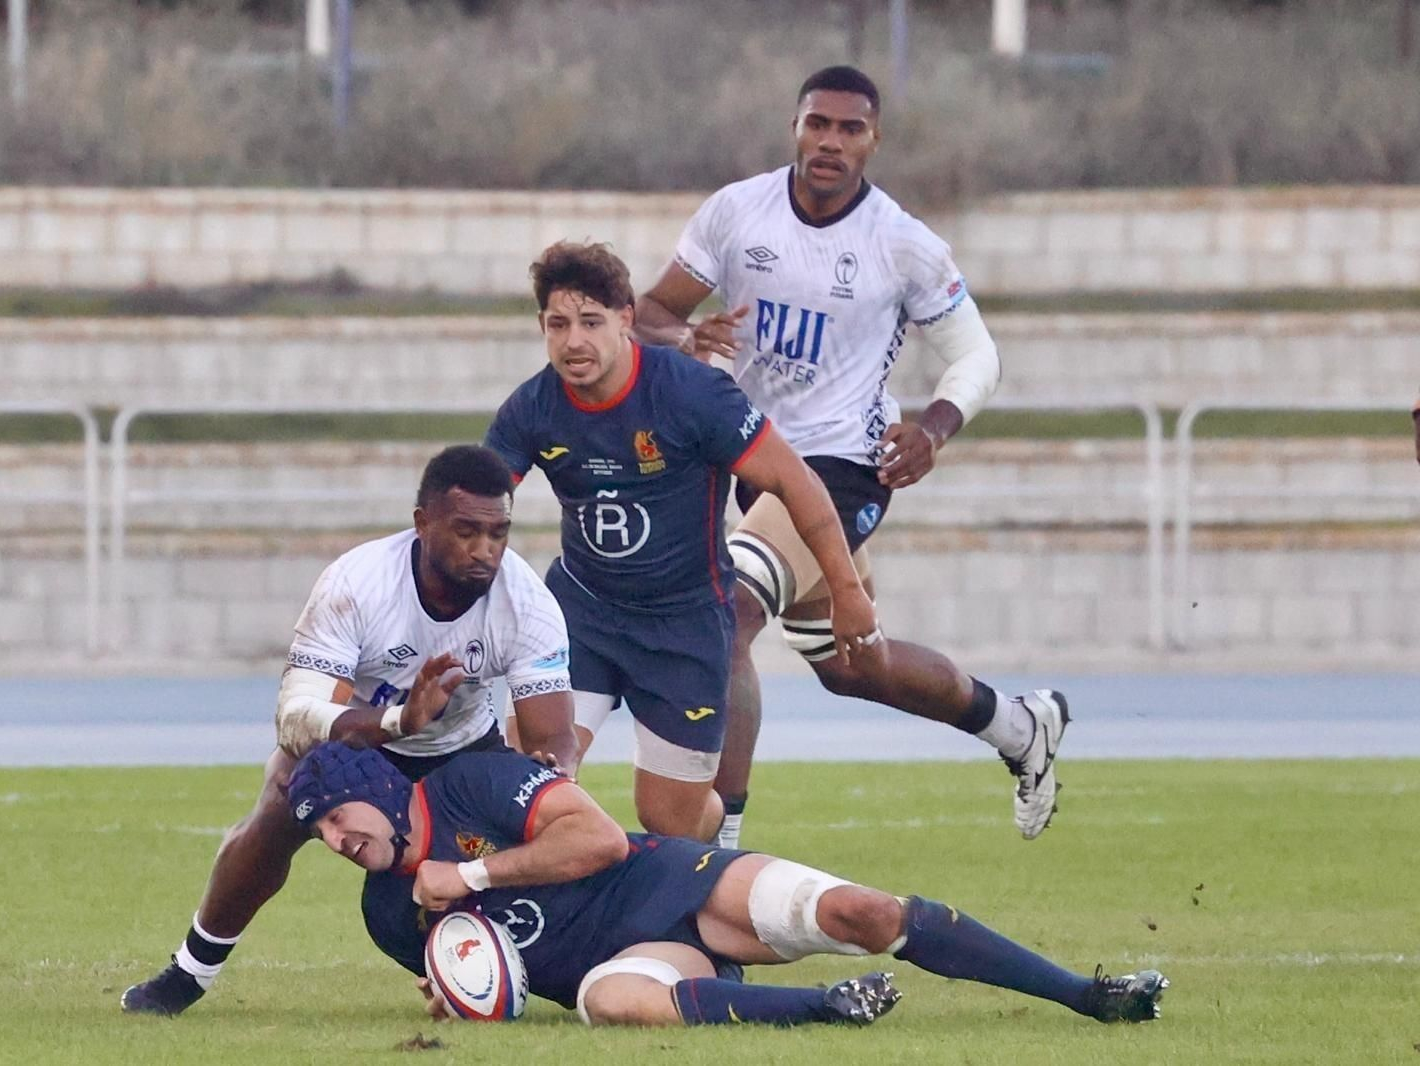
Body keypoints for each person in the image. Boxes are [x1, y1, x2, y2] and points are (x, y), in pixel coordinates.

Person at [634, 65, 1068, 847]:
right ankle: (1017, 724)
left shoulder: (903, 244)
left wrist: (933, 429)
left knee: (725, 613)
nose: (830, 141)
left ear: (874, 140)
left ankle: (716, 849)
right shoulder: (738, 212)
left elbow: (977, 357)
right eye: (817, 124)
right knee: (850, 666)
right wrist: (682, 335)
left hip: (845, 468)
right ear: (795, 127)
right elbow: (652, 311)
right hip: (754, 463)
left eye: (850, 128)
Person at [121, 445, 580, 1017]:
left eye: (498, 533)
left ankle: (547, 975)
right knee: (282, 797)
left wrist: (556, 768)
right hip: (364, 747)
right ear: (422, 524)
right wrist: (399, 721)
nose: (484, 551)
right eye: (466, 531)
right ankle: (190, 973)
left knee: (533, 841)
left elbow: (551, 732)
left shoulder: (526, 601)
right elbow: (295, 721)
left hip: (464, 750)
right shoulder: (357, 584)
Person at [288, 740, 1170, 1029]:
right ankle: (832, 1008)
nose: (333, 841)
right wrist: (458, 987)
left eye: (336, 820)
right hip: (627, 962)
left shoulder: (471, 785)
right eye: (320, 833)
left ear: (375, 793)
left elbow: (595, 840)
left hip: (668, 879)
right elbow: (490, 987)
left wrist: (470, 873)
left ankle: (1089, 997)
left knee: (862, 911)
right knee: (622, 1002)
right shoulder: (383, 912)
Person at [485, 241, 877, 842]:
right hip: (581, 615)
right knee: (531, 782)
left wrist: (848, 591)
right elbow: (473, 507)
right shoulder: (531, 409)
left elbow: (797, 482)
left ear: (625, 320)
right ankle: (551, 920)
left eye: (591, 322)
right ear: (541, 327)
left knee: (670, 821)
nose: (574, 342)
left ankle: (718, 845)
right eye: (558, 325)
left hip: (684, 625)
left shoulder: (691, 395)